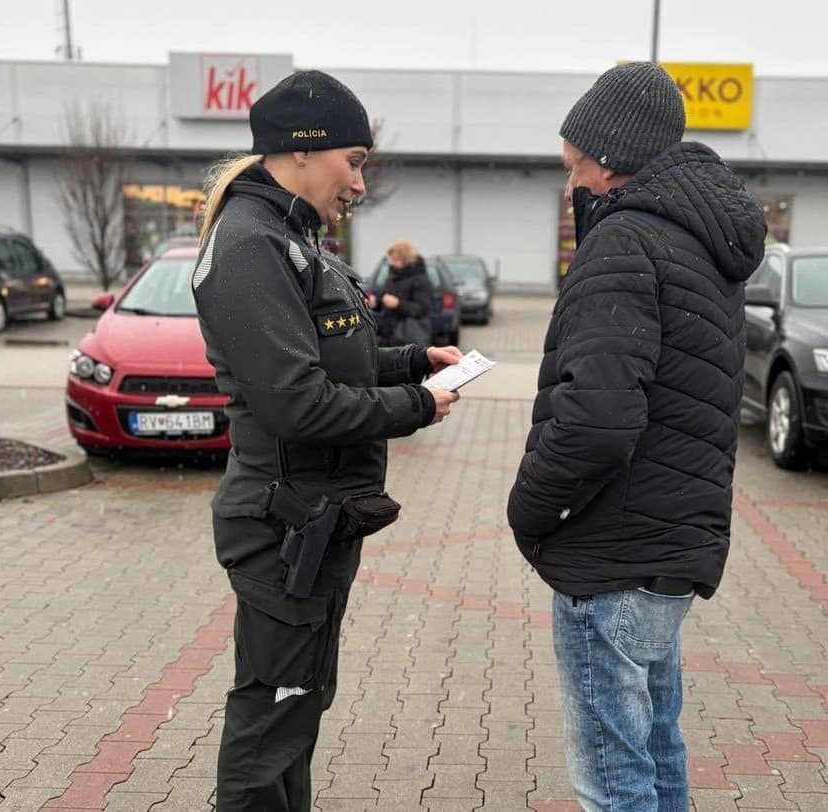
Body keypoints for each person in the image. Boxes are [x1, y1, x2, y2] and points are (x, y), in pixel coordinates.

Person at [190, 70, 461, 811]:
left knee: (297, 702)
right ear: (304, 151)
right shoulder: (251, 245)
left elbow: (322, 360)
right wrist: (415, 404)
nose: (359, 185)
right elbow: (298, 404)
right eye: (356, 160)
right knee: (272, 713)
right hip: (283, 524)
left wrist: (412, 362)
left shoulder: (289, 237)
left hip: (317, 516)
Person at [507, 62, 767, 811]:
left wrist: (530, 512)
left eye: (575, 166)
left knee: (615, 784)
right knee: (657, 752)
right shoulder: (702, 247)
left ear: (612, 160)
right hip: (670, 551)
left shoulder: (625, 246)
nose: (570, 185)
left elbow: (594, 423)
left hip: (611, 558)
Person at [371, 239, 433, 347]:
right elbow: (384, 300)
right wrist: (376, 303)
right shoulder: (392, 277)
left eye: (395, 260)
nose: (392, 263)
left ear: (406, 260)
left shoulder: (420, 280)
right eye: (391, 259)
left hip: (407, 337)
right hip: (388, 335)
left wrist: (398, 304)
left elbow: (422, 309)